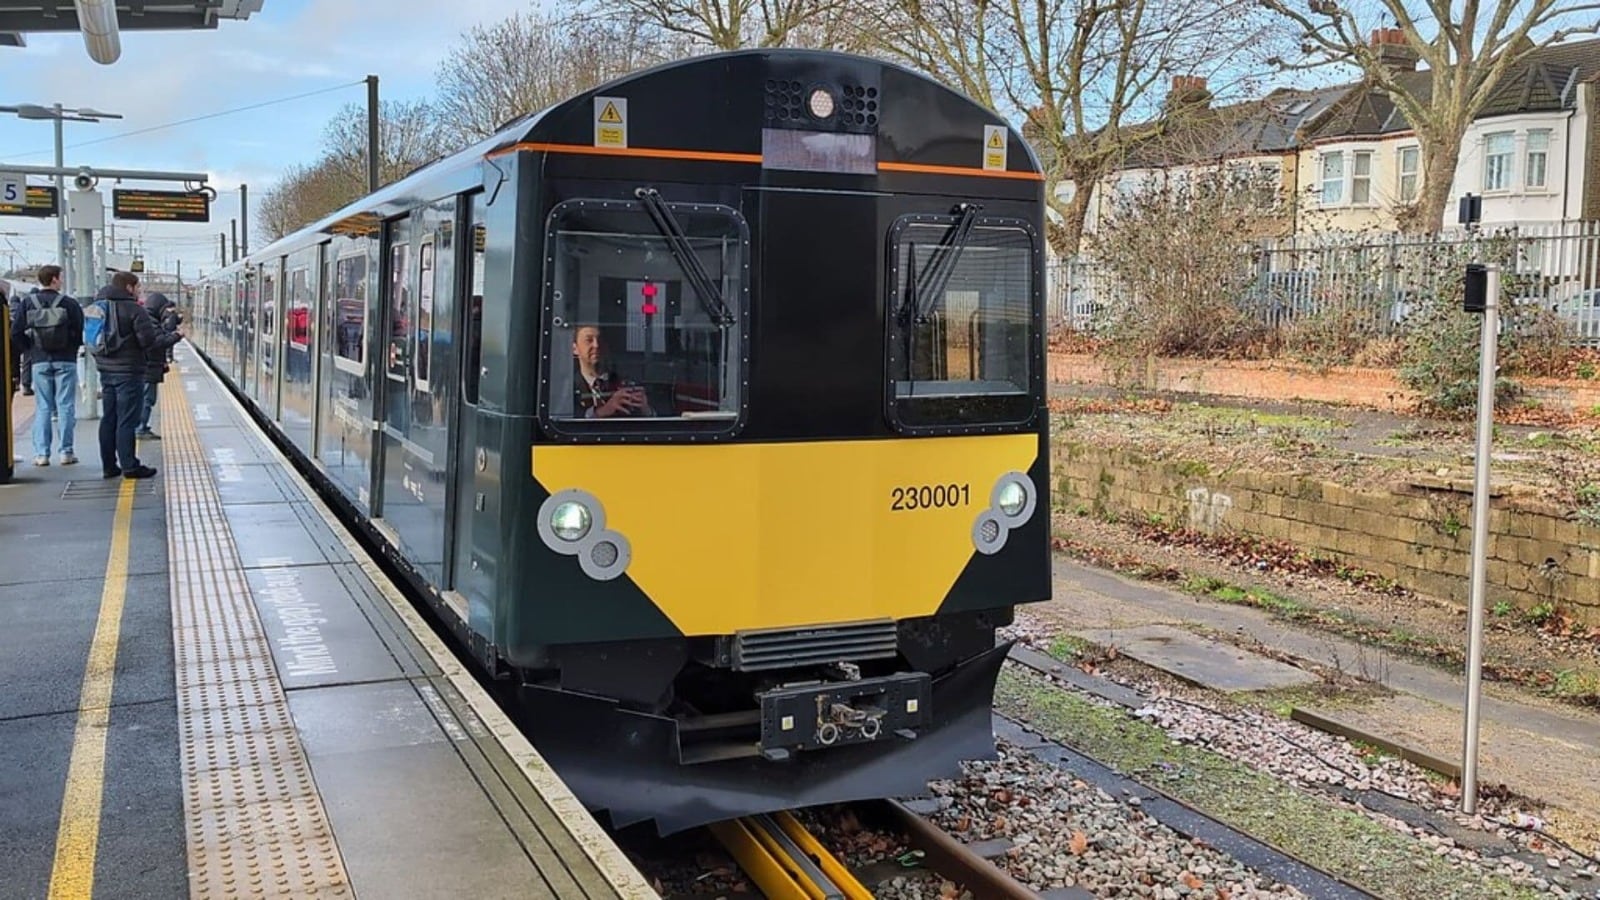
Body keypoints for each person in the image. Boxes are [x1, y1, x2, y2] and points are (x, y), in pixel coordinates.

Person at [91, 271, 179, 479]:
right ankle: (130, 466)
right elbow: (148, 341)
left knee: (109, 418)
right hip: (129, 372)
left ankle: (109, 466)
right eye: (138, 286)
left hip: (105, 370)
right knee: (127, 420)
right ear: (129, 287)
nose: (139, 291)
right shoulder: (134, 309)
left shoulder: (95, 308)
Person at [9, 265, 82, 465]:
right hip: (66, 360)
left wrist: (30, 351)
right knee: (65, 406)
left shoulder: (27, 304)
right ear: (55, 280)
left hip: (39, 361)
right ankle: (66, 452)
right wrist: (71, 349)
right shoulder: (69, 304)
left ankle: (42, 454)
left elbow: (15, 332)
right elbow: (79, 330)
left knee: (43, 407)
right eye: (61, 277)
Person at [571, 324, 653, 418]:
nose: (596, 345)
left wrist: (646, 411)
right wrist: (600, 412)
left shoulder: (626, 382)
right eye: (589, 340)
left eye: (600, 340)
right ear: (574, 348)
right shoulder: (567, 388)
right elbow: (565, 421)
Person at [135, 291, 179, 439]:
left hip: (149, 366)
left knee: (146, 398)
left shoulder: (147, 319)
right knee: (147, 399)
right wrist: (177, 336)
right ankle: (140, 428)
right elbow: (158, 342)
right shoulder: (151, 322)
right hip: (149, 367)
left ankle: (141, 426)